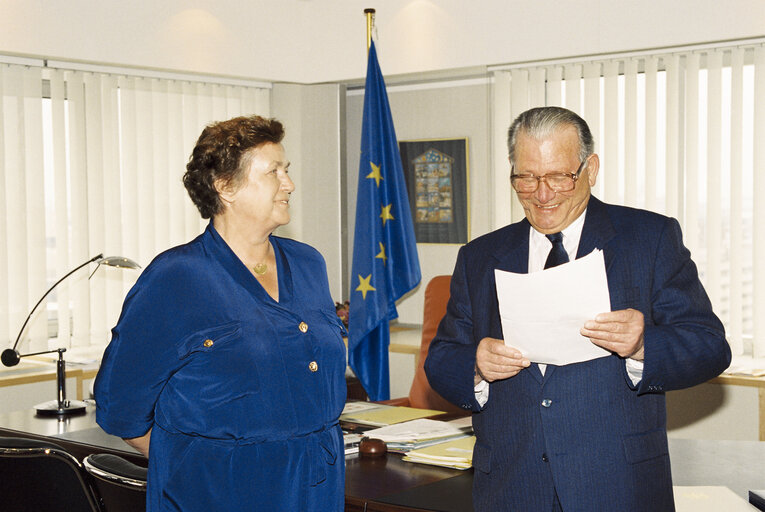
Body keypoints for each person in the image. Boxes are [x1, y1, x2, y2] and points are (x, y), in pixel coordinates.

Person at [424, 106, 731, 512]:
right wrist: (476, 365)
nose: (543, 194)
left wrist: (643, 345)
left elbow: (710, 347)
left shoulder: (649, 239)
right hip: (512, 489)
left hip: (617, 486)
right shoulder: (480, 256)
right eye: (527, 178)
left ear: (590, 168)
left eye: (558, 177)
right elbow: (442, 358)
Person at [94, 115, 347, 511]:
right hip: (218, 490)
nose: (289, 184)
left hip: (316, 486)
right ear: (225, 187)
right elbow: (121, 407)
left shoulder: (308, 262)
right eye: (273, 172)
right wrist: (194, 458)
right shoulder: (177, 277)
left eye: (287, 170)